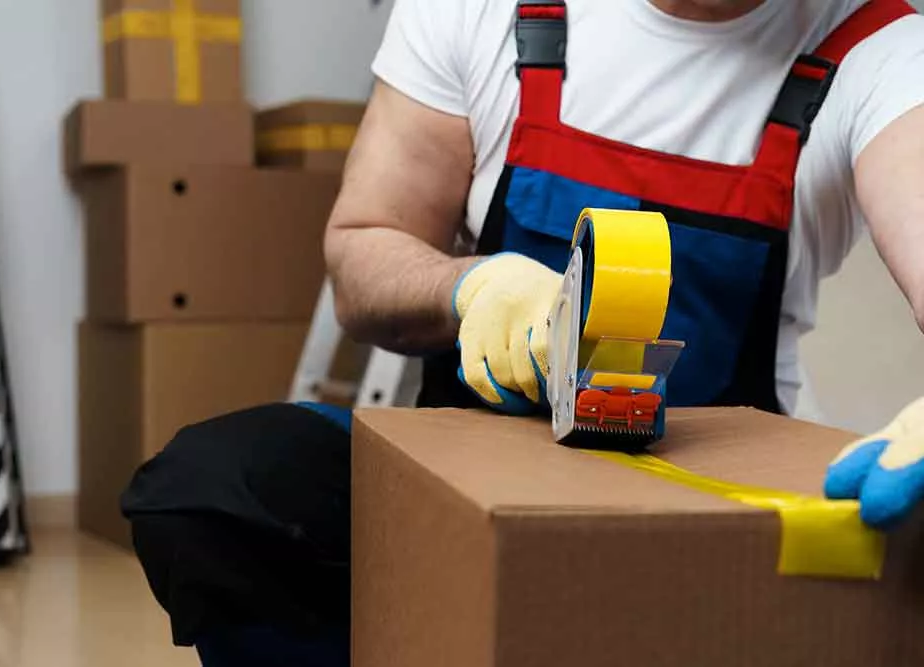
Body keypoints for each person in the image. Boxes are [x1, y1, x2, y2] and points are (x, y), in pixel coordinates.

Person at [119, 1, 924, 665]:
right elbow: (362, 247)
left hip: (704, 512)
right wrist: (469, 286)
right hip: (458, 468)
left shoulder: (877, 45)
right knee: (213, 493)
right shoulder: (483, 7)